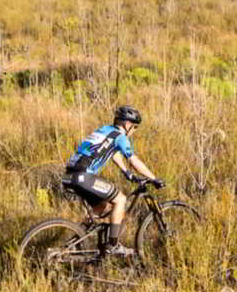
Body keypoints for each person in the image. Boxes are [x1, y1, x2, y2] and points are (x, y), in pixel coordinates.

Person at [62, 105, 162, 255]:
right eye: (134, 127)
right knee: (120, 200)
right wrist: (153, 178)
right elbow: (134, 160)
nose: (134, 131)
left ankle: (75, 241)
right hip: (83, 176)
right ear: (127, 124)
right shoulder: (120, 137)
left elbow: (113, 153)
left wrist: (126, 172)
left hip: (70, 176)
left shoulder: (105, 131)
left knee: (103, 208)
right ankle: (113, 245)